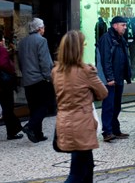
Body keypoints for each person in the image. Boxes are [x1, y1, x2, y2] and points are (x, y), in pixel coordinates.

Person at [52, 30, 108, 182]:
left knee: (87, 166)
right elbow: (103, 93)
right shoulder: (85, 71)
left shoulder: (56, 71)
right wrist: (94, 75)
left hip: (64, 122)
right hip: (81, 125)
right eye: (83, 45)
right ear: (78, 49)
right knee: (77, 172)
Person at [18, 18, 54, 143]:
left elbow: (20, 62)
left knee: (34, 107)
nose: (44, 29)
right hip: (40, 79)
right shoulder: (41, 40)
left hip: (28, 80)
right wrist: (48, 77)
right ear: (39, 28)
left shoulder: (22, 42)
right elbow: (44, 62)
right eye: (43, 27)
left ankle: (38, 134)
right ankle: (30, 126)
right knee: (46, 105)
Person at [0, 29, 24, 144]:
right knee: (8, 110)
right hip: (1, 86)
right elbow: (3, 64)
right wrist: (11, 70)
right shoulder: (1, 50)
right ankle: (12, 132)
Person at [98, 16, 132, 142]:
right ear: (115, 25)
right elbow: (106, 60)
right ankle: (107, 132)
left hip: (119, 78)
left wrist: (127, 75)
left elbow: (125, 57)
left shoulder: (120, 38)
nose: (125, 27)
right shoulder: (106, 39)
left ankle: (115, 129)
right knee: (108, 106)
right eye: (123, 25)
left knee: (116, 105)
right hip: (111, 80)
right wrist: (109, 77)